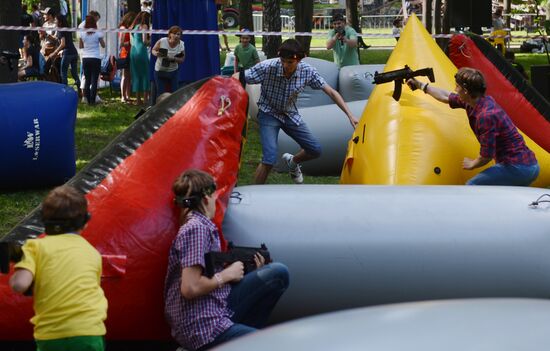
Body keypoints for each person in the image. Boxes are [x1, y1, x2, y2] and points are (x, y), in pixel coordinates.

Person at [164, 169, 289, 351]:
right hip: (202, 326)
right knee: (272, 345)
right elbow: (189, 288)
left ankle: (245, 339)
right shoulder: (196, 229)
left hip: (214, 307)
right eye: (215, 197)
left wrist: (244, 272)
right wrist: (227, 275)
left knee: (277, 274)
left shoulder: (200, 226)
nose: (217, 201)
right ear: (206, 199)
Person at [234, 39, 359, 184]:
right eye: (283, 61)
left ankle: (292, 162)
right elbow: (238, 77)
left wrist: (350, 115)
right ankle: (254, 195)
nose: (285, 65)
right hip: (268, 113)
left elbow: (331, 92)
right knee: (269, 159)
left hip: (289, 114)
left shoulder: (307, 71)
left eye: (290, 62)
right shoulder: (268, 67)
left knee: (315, 150)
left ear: (300, 60)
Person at [9, 185, 107, 351]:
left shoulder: (35, 247)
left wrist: (15, 267)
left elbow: (20, 285)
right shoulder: (92, 253)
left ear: (43, 221)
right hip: (88, 333)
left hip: (52, 336)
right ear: (85, 221)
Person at [406, 67, 539, 186]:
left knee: (472, 187)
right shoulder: (475, 101)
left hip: (519, 167)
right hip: (525, 165)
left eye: (457, 86)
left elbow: (486, 156)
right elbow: (446, 96)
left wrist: (473, 164)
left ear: (465, 91)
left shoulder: (486, 116)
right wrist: (420, 85)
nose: (455, 89)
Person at [151, 25, 185, 103]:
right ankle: (158, 111)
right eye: (175, 33)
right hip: (160, 71)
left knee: (175, 93)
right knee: (160, 94)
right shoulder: (162, 41)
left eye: (178, 34)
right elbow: (153, 50)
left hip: (173, 72)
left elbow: (182, 59)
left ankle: (174, 110)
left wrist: (173, 59)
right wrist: (156, 53)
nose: (176, 36)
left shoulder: (181, 45)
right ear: (170, 34)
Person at [50, 14, 81, 96]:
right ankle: (80, 91)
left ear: (60, 22)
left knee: (63, 73)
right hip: (74, 52)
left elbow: (63, 44)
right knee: (74, 73)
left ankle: (65, 92)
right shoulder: (67, 29)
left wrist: (55, 52)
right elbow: (65, 40)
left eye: (56, 20)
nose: (55, 21)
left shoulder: (60, 30)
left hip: (67, 53)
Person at [79, 15, 105, 105]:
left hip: (86, 58)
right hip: (95, 58)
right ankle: (92, 101)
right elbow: (103, 45)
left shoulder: (82, 33)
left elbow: (80, 46)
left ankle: (87, 99)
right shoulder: (98, 32)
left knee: (87, 80)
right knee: (94, 81)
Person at [130, 11, 151, 106]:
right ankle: (145, 99)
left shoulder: (134, 27)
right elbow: (144, 41)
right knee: (145, 74)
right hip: (141, 51)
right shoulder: (144, 27)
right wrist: (151, 40)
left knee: (136, 75)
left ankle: (138, 99)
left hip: (133, 51)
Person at [118, 11, 137, 103]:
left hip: (130, 53)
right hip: (125, 53)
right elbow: (121, 44)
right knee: (125, 76)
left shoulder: (128, 29)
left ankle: (127, 95)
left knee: (129, 76)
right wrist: (130, 42)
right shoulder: (123, 29)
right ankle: (123, 96)